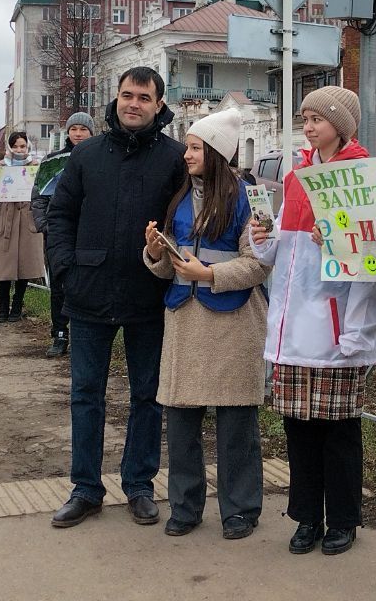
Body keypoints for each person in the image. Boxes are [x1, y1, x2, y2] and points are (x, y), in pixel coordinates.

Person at [250, 86, 376, 558]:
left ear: (342, 126)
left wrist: (358, 331)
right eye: (305, 118)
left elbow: (372, 264)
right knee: (299, 428)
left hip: (334, 329)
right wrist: (263, 236)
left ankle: (343, 519)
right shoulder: (298, 174)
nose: (308, 127)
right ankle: (306, 515)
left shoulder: (361, 178)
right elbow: (280, 252)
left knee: (339, 431)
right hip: (292, 326)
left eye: (317, 119)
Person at [46, 67, 186, 529]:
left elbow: (186, 220)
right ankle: (85, 489)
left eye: (144, 97)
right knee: (87, 395)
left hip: (149, 294)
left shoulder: (174, 159)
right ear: (116, 98)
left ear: (159, 105)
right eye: (127, 95)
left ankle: (139, 485)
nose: (134, 104)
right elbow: (60, 213)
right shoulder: (86, 154)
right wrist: (65, 267)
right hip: (88, 291)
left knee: (147, 395)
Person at [143, 107, 270, 540]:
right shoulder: (180, 198)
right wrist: (157, 253)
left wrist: (210, 275)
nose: (186, 155)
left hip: (233, 325)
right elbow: (170, 268)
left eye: (194, 147)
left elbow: (259, 265)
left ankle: (240, 510)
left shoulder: (247, 198)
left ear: (215, 152)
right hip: (184, 320)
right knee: (180, 424)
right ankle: (184, 506)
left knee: (236, 426)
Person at [31, 112, 96, 358]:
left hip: (88, 232)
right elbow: (38, 196)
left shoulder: (99, 157)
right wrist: (45, 224)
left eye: (83, 129)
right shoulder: (53, 161)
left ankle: (84, 336)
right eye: (74, 129)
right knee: (59, 285)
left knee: (85, 284)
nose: (78, 134)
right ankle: (59, 334)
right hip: (58, 232)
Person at [0, 131, 45, 322]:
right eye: (16, 146)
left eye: (23, 146)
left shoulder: (36, 167)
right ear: (9, 147)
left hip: (27, 220)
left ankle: (17, 306)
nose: (19, 150)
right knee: (3, 266)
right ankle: (3, 306)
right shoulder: (0, 167)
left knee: (24, 266)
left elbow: (42, 194)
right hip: (6, 221)